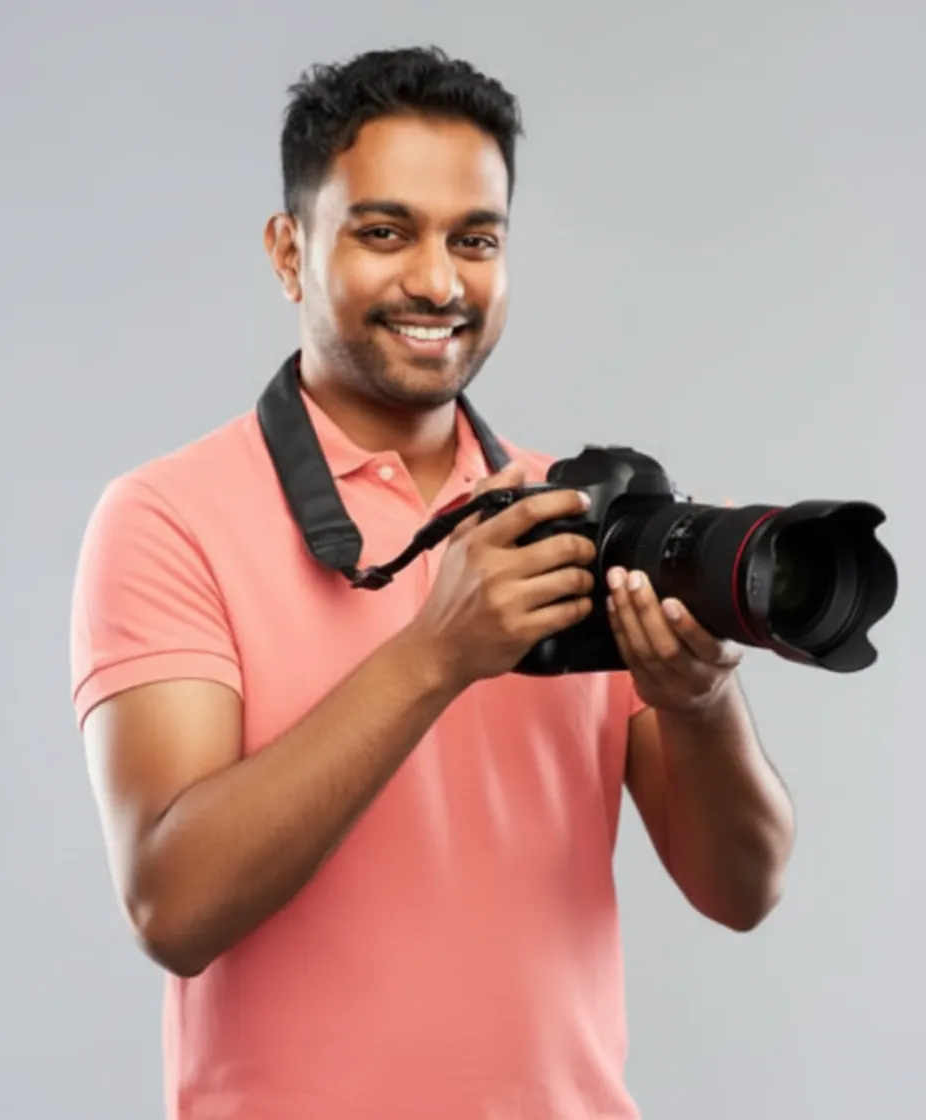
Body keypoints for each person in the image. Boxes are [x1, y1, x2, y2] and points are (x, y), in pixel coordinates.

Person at [69, 45, 796, 1120]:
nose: (438, 282)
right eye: (384, 231)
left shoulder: (573, 514)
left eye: (475, 239)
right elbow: (172, 907)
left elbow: (743, 891)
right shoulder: (167, 517)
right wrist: (434, 655)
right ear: (288, 251)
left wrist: (701, 700)